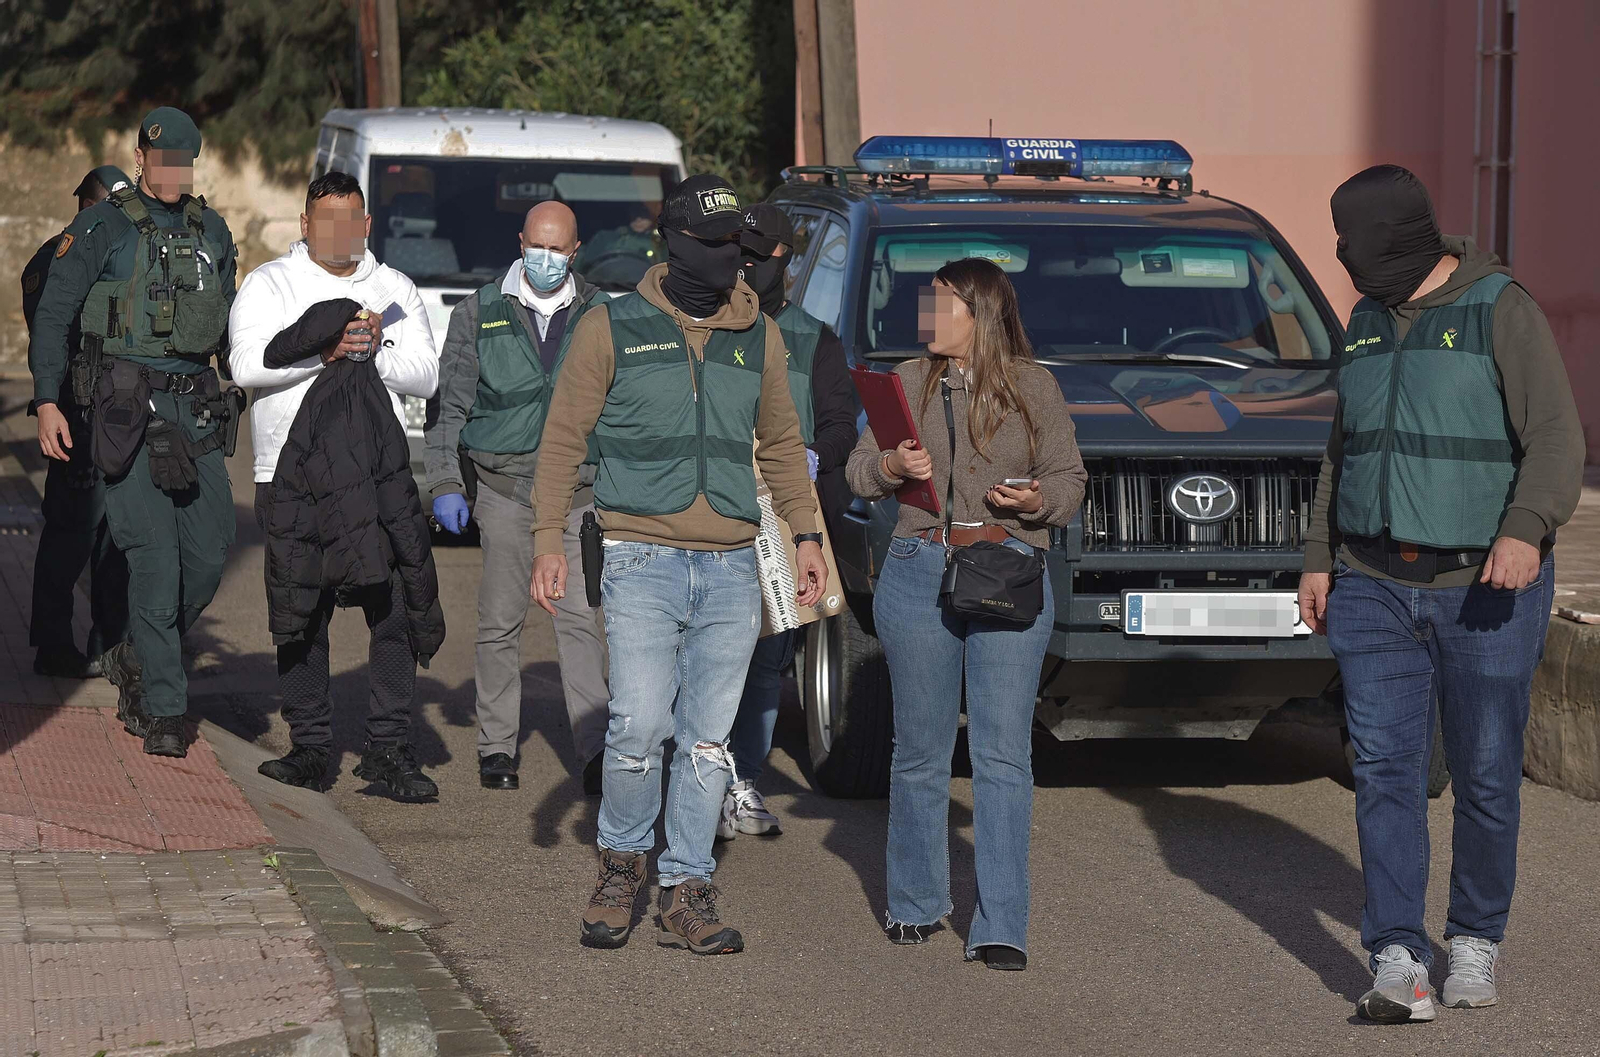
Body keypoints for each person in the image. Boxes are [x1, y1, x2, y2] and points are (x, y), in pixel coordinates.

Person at [1298, 166, 1583, 1023]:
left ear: (1396, 236)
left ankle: (1473, 939)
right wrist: (1319, 555)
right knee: (1383, 770)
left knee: (1488, 774)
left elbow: (1558, 438)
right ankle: (1396, 955)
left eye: (1351, 237)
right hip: (1373, 585)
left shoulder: (1500, 307)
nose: (1342, 253)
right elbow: (1340, 451)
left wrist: (1525, 528)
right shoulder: (1362, 321)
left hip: (1484, 591)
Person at [529, 174, 827, 955]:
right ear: (673, 243)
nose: (730, 259)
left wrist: (808, 537)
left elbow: (784, 446)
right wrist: (545, 544)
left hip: (731, 565)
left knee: (705, 742)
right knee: (636, 725)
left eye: (738, 246)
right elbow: (562, 438)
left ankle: (685, 885)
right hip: (639, 558)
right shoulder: (610, 325)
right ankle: (621, 863)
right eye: (714, 244)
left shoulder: (759, 336)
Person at [845, 257, 1085, 971]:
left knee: (1003, 754)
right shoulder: (905, 382)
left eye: (941, 302)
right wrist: (893, 469)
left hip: (1005, 569)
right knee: (919, 750)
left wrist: (1033, 502)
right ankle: (915, 902)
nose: (928, 315)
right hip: (919, 570)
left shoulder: (1033, 384)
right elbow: (859, 469)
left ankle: (1001, 921)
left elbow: (1070, 477)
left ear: (979, 312)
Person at [28, 108, 240, 757]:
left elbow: (230, 321)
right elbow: (55, 310)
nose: (172, 171)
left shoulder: (214, 232)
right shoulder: (101, 226)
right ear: (142, 159)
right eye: (161, 159)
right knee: (154, 551)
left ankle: (132, 653)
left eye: (184, 160)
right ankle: (162, 708)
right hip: (124, 404)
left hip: (196, 405)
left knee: (208, 552)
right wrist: (46, 400)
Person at [229, 171, 443, 801]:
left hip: (378, 477)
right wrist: (322, 353)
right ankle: (310, 748)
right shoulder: (271, 284)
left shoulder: (393, 286)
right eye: (326, 219)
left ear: (367, 224)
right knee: (302, 613)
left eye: (351, 219)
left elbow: (427, 375)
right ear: (305, 224)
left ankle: (388, 749)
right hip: (290, 477)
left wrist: (376, 347)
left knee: (396, 610)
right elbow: (245, 365)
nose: (340, 231)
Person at [426, 201, 610, 793]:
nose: (547, 259)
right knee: (500, 622)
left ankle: (595, 751)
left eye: (558, 250)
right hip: (505, 492)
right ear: (520, 242)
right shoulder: (478, 312)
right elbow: (449, 410)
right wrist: (447, 484)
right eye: (538, 246)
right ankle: (497, 747)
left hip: (582, 498)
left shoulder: (604, 314)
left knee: (582, 623)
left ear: (575, 252)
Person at [718, 203, 858, 840]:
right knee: (709, 652)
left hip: (780, 517)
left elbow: (838, 424)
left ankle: (743, 779)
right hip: (713, 511)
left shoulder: (813, 338)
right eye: (736, 252)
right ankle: (700, 776)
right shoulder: (711, 326)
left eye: (757, 254)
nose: (745, 265)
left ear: (785, 259)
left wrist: (812, 456)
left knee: (767, 658)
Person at [21, 165, 133, 680]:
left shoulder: (116, 255)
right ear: (89, 207)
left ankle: (108, 640)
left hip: (116, 414)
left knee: (116, 535)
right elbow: (52, 332)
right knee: (71, 533)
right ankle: (51, 643)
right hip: (74, 413)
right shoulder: (54, 258)